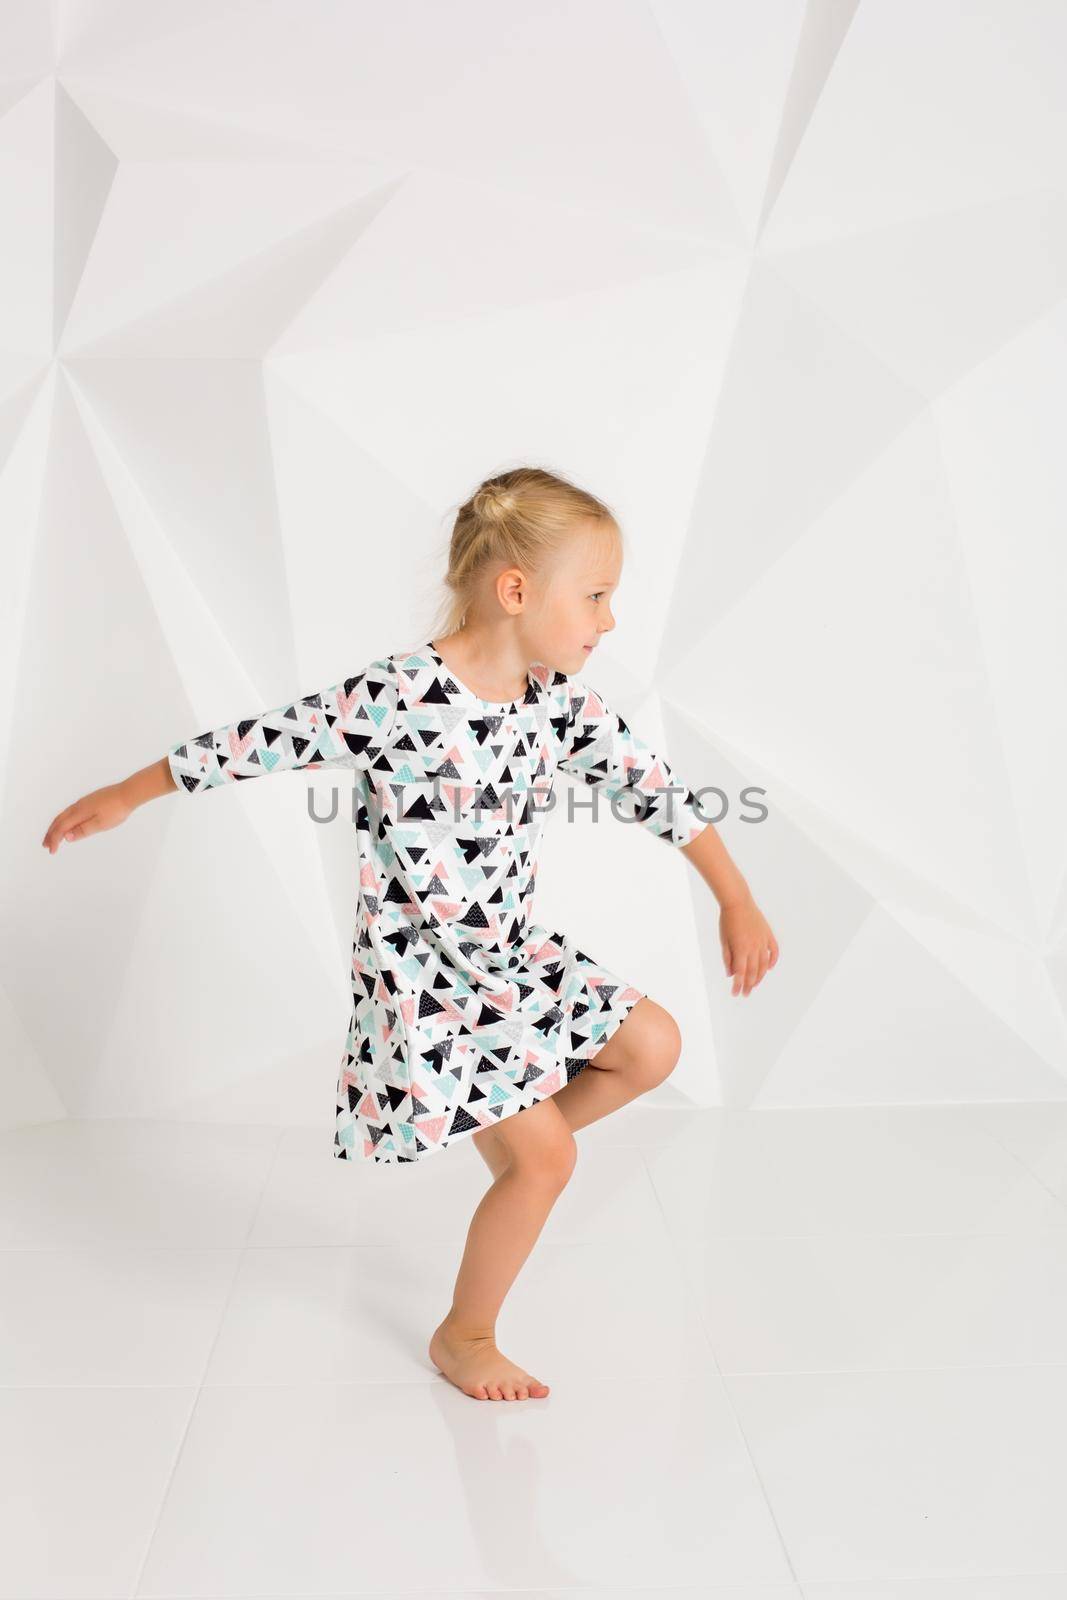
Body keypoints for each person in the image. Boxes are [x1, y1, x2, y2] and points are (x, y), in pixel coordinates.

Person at [41, 465, 778, 1403]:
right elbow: (259, 740)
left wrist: (735, 897)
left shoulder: (555, 701)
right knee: (550, 1161)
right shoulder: (398, 695)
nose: (609, 620)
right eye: (595, 596)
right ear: (516, 591)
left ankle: (501, 1141)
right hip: (420, 980)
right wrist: (126, 794)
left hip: (506, 958)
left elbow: (655, 790)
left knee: (652, 1044)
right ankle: (465, 1332)